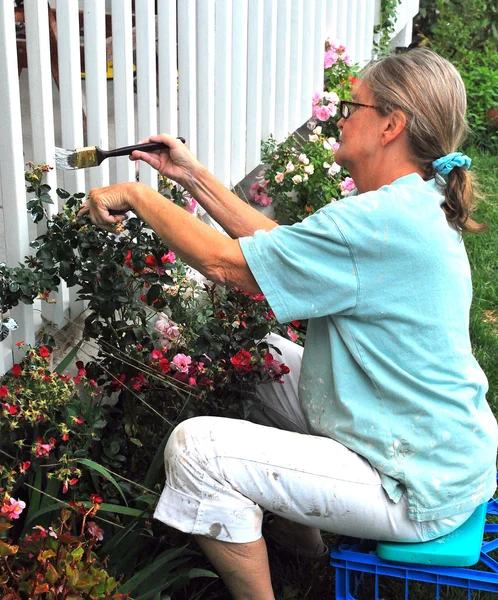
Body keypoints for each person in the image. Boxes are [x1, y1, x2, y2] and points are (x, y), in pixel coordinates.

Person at [80, 48, 498, 600]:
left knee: (197, 451)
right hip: (429, 439)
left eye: (354, 105)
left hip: (416, 482)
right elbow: (275, 245)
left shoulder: (377, 221)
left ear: (391, 126)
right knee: (262, 363)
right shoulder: (406, 204)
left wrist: (136, 194)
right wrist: (190, 176)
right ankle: (309, 555)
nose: (341, 114)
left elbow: (227, 266)